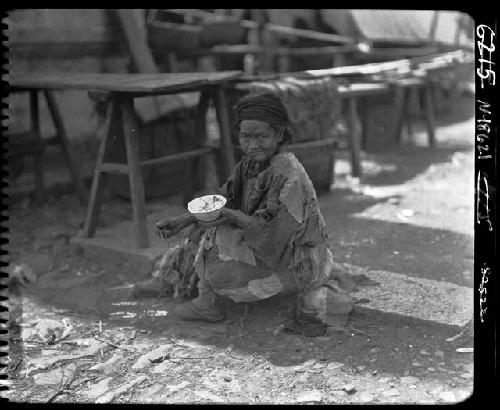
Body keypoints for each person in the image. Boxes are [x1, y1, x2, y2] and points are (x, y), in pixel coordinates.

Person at [132, 92, 357, 336]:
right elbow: (221, 199)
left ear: (279, 134)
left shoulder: (288, 173)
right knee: (205, 226)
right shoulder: (249, 164)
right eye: (245, 137)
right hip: (263, 246)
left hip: (293, 260)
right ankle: (170, 278)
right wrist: (182, 220)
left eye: (262, 136)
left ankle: (208, 304)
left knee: (216, 233)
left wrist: (230, 218)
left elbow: (274, 234)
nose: (252, 145)